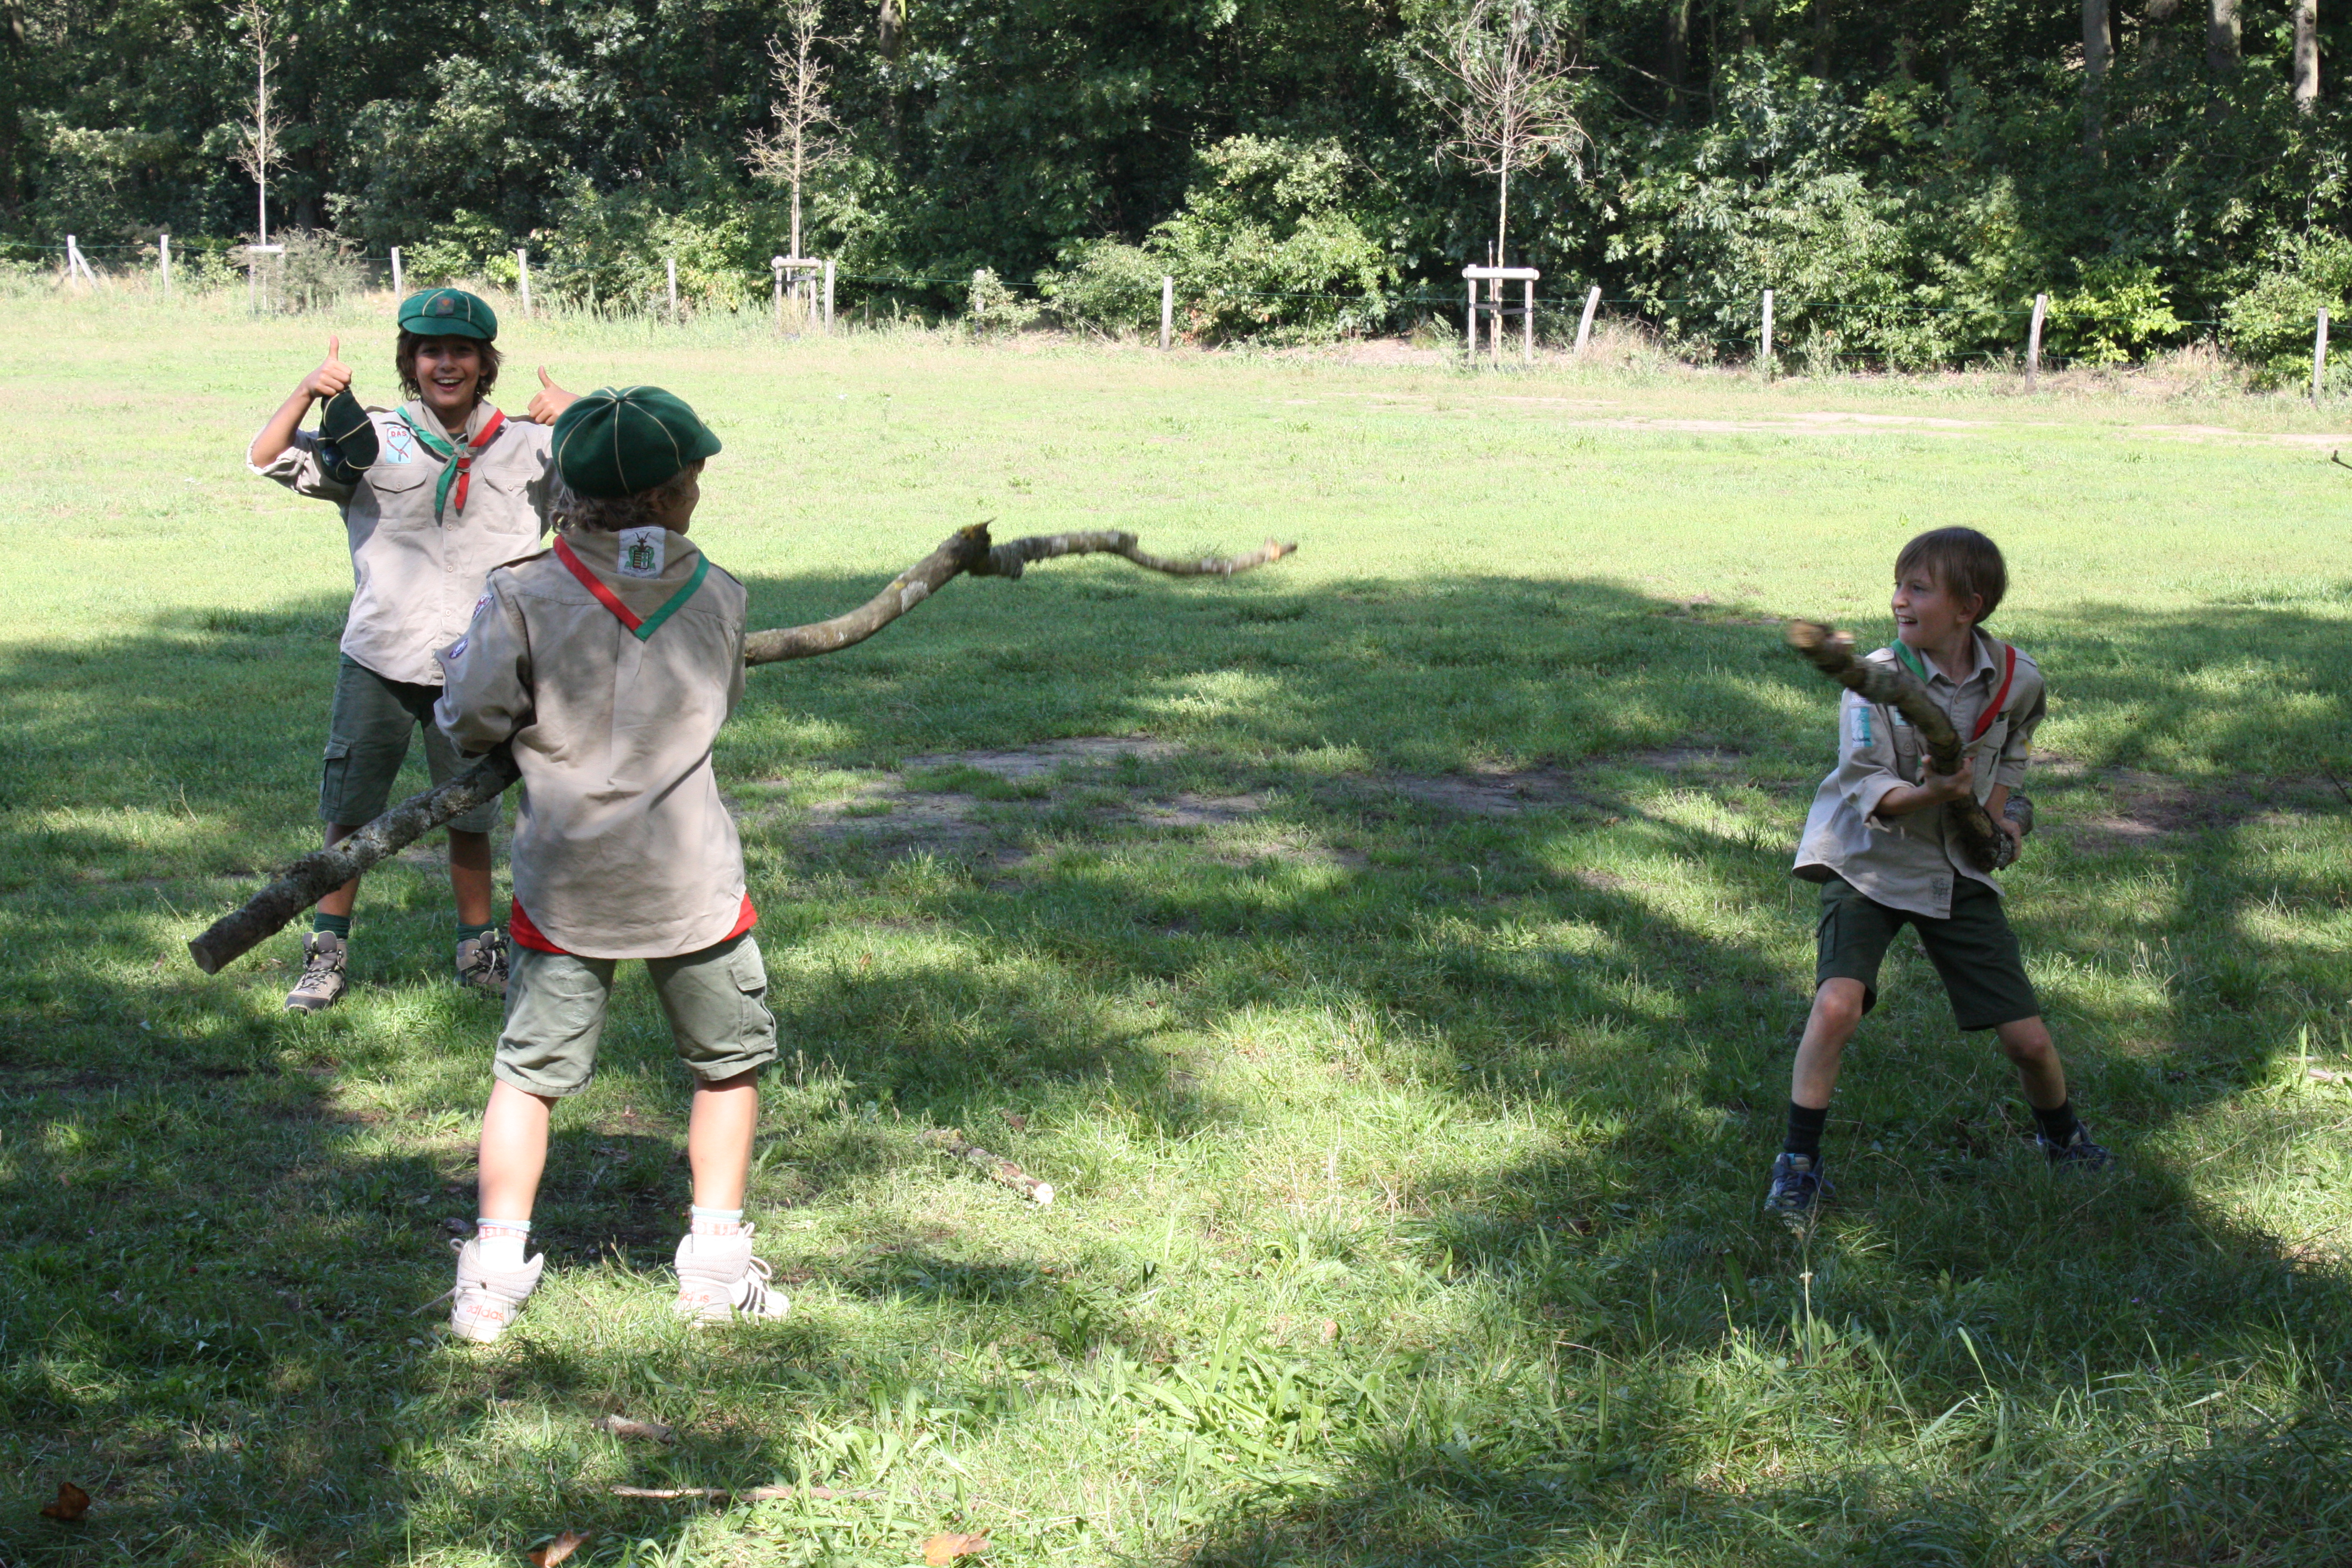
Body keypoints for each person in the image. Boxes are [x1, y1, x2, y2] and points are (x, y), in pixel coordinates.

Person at [432, 386, 785, 1342]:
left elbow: (472, 718)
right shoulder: (720, 593)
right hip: (691, 883)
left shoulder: (521, 592)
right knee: (727, 1067)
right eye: (694, 479)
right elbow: (722, 701)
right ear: (666, 498)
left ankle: (491, 1281)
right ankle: (714, 1270)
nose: (699, 492)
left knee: (528, 1074)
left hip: (567, 883)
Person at [249, 287, 578, 1012]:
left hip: (483, 664)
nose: (446, 364)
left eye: (462, 351)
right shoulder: (370, 437)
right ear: (410, 361)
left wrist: (587, 414)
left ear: (485, 363)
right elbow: (268, 457)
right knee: (350, 812)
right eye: (431, 351)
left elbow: (638, 481)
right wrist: (307, 392)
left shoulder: (532, 445)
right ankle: (326, 953)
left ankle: (478, 950)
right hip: (381, 657)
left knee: (472, 813)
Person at [1769, 526, 2110, 1226]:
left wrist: (1998, 814)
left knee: (2029, 1041)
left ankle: (2065, 1139)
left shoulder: (2017, 677)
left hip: (1955, 868)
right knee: (1836, 1007)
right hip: (1867, 861)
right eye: (1898, 585)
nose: (1899, 600)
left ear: (1968, 607)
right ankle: (1798, 1163)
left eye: (1918, 588)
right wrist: (1934, 792)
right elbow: (1864, 783)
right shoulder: (1871, 681)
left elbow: (2015, 747)